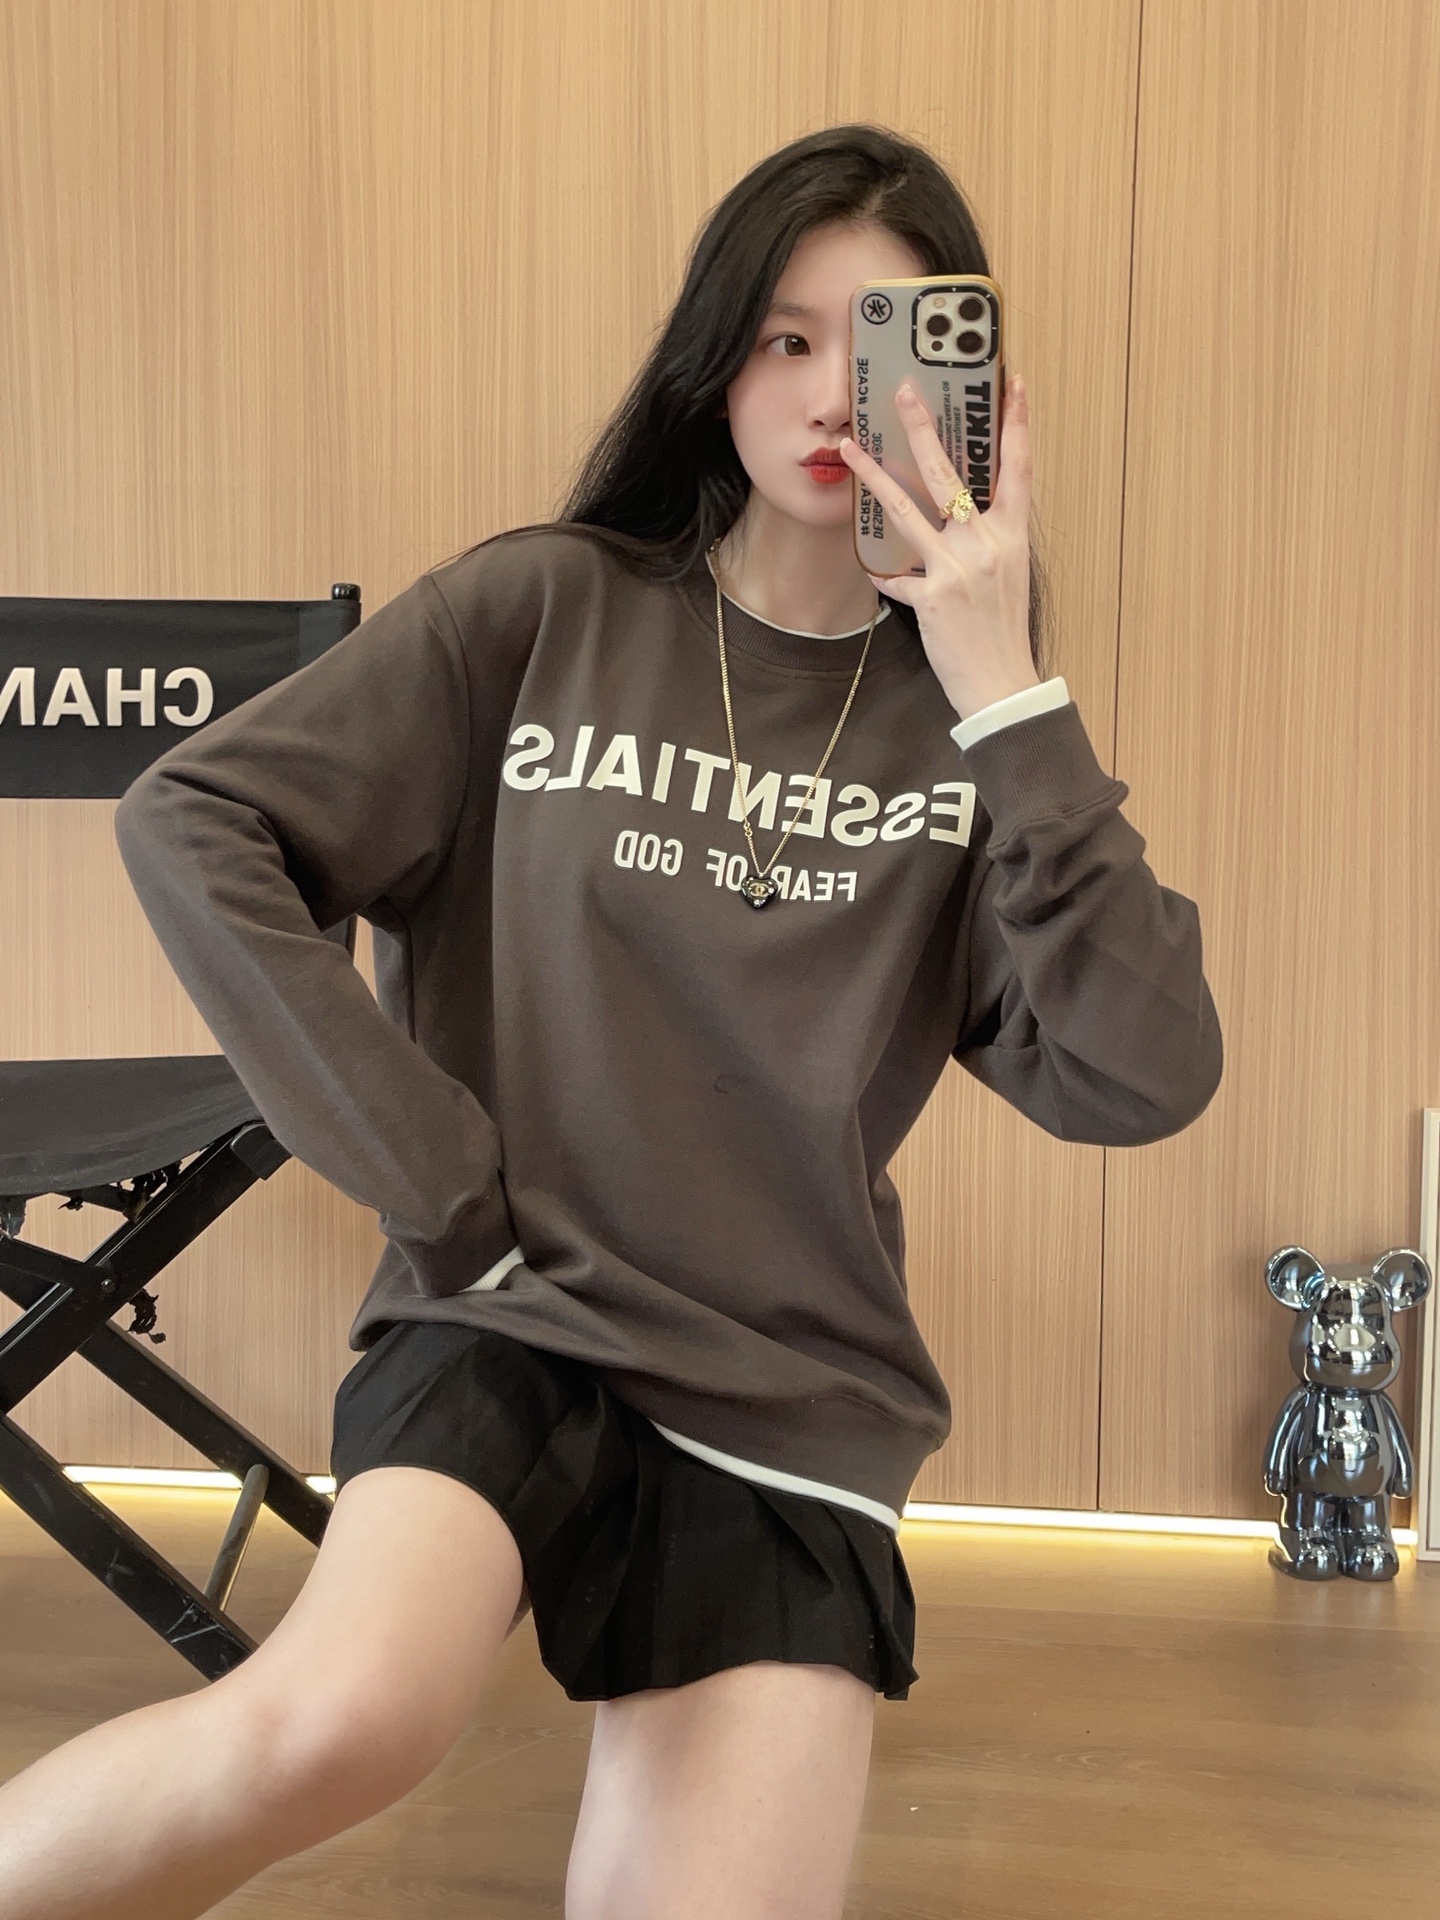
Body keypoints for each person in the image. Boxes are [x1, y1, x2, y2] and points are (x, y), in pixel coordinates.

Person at [0, 123, 1222, 1919]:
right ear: (714, 364)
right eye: (785, 337)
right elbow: (196, 817)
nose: (830, 391)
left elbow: (1142, 1075)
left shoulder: (976, 734)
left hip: (791, 1387)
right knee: (333, 1725)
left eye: (880, 344)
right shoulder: (546, 611)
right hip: (517, 1306)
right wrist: (435, 1177)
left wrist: (1006, 686)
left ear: (963, 394)